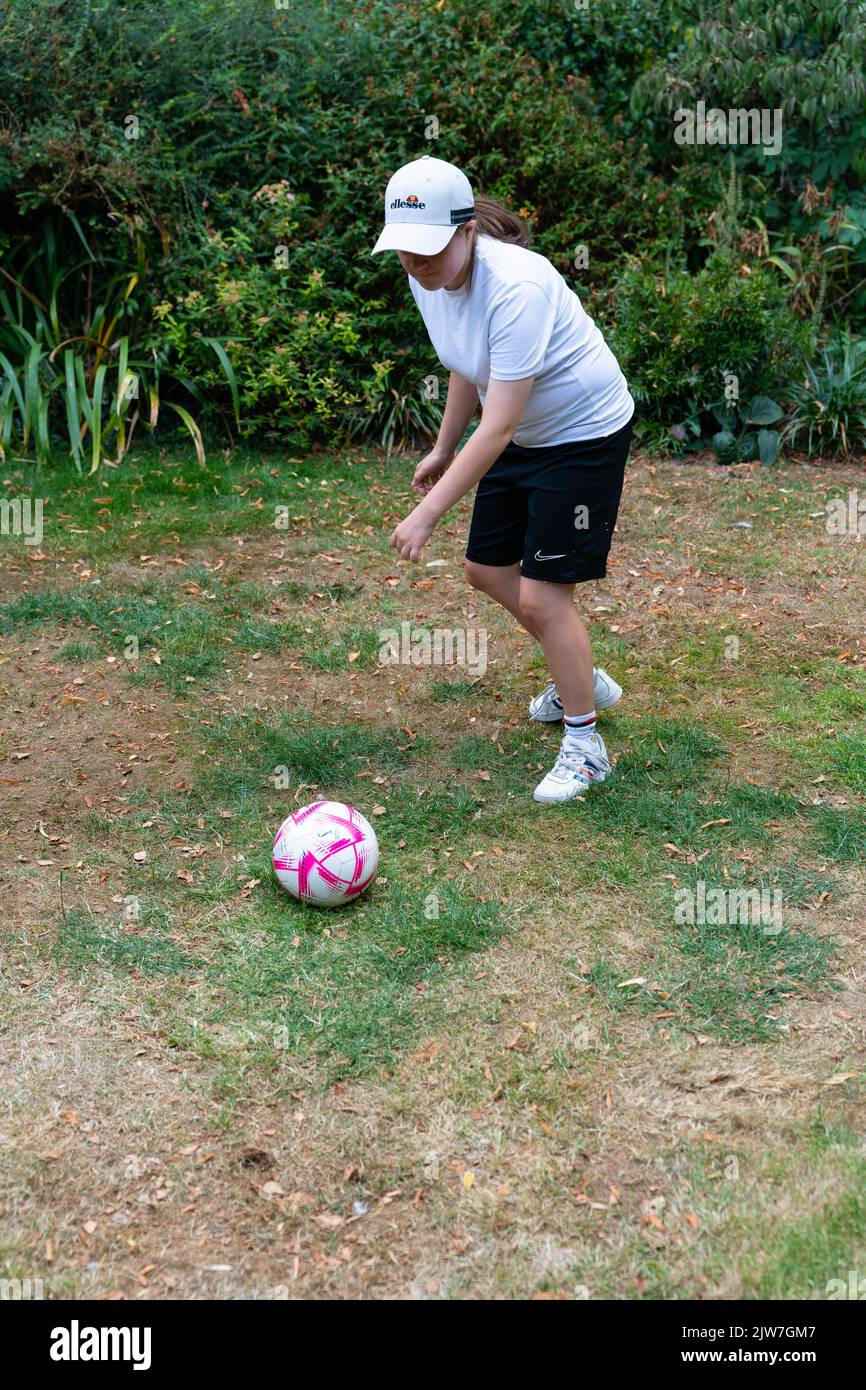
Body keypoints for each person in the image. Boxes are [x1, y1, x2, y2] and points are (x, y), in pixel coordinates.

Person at [371, 155, 635, 803]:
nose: (415, 263)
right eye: (404, 251)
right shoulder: (427, 272)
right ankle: (582, 676)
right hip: (521, 430)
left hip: (581, 434)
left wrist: (430, 509)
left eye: (428, 248)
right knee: (486, 571)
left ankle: (585, 745)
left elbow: (497, 426)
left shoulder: (518, 285)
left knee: (546, 597)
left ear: (467, 232)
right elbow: (468, 361)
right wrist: (441, 447)